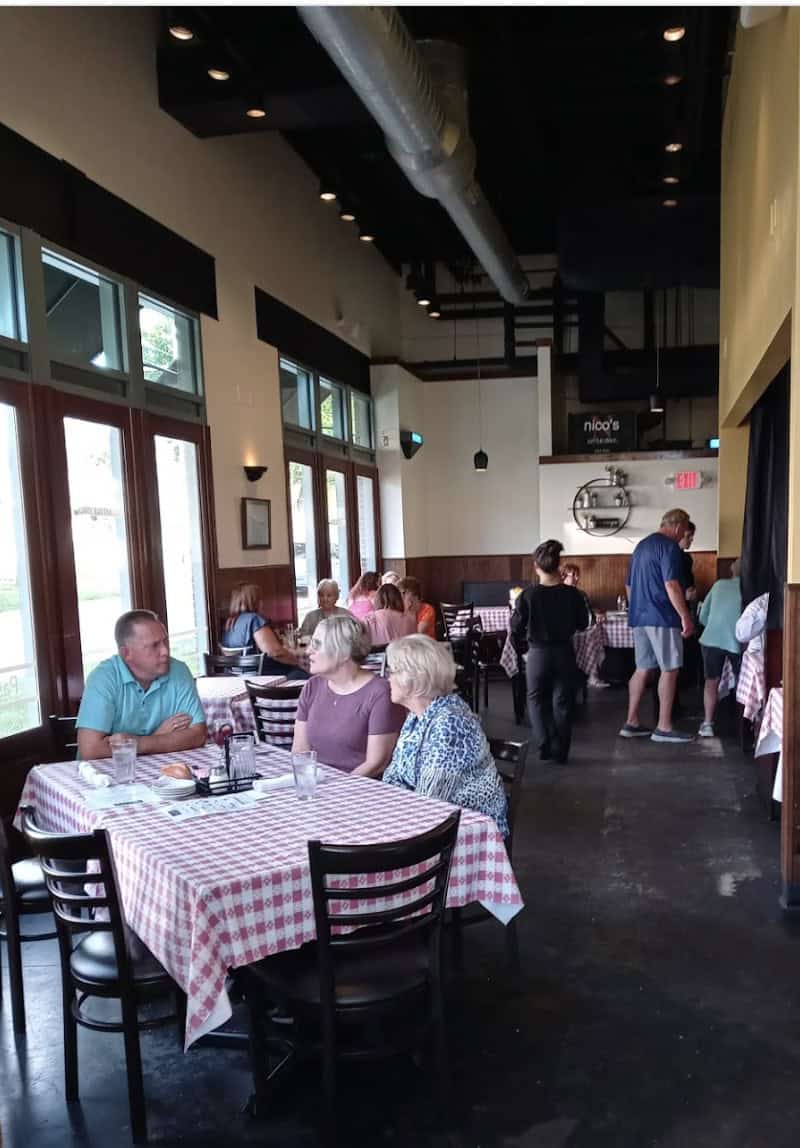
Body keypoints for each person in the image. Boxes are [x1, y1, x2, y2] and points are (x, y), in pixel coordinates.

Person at [383, 635, 509, 836]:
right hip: (427, 819)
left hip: (467, 831)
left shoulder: (450, 722)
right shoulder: (417, 717)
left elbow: (430, 799)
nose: (387, 678)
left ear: (414, 679)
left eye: (392, 671)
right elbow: (393, 775)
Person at [76, 610, 207, 760]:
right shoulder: (103, 678)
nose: (165, 651)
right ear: (127, 654)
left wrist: (138, 743)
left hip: (162, 772)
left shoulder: (179, 671)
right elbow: (91, 750)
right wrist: (160, 738)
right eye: (154, 645)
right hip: (103, 778)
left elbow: (198, 735)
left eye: (165, 641)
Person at [292, 615, 404, 775]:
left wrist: (338, 789)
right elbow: (300, 750)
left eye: (316, 645)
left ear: (343, 653)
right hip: (319, 785)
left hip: (361, 790)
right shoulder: (312, 686)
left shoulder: (380, 693)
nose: (309, 650)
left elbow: (376, 763)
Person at [620, 508, 694, 743]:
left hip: (639, 616)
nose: (684, 534)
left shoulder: (641, 546)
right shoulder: (669, 547)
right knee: (670, 669)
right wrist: (685, 615)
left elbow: (629, 586)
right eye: (684, 530)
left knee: (642, 668)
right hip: (662, 616)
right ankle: (664, 727)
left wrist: (637, 609)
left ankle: (631, 722)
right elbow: (671, 584)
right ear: (677, 526)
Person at [511, 540, 589, 764]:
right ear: (559, 566)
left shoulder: (527, 596)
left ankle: (545, 743)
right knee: (563, 701)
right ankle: (561, 750)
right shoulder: (573, 595)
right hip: (564, 652)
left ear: (536, 566)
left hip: (538, 653)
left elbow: (515, 626)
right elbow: (583, 624)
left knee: (535, 699)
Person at [219, 583, 308, 679]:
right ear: (254, 601)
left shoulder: (230, 622)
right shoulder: (254, 620)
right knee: (311, 675)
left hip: (237, 678)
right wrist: (297, 662)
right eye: (260, 599)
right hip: (263, 679)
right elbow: (275, 652)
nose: (262, 603)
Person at [697, 559, 743, 737]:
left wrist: (715, 624)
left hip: (711, 639)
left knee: (711, 681)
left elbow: (702, 616)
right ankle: (743, 724)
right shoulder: (749, 590)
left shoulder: (718, 585)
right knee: (741, 679)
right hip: (737, 641)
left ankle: (708, 723)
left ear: (732, 570)